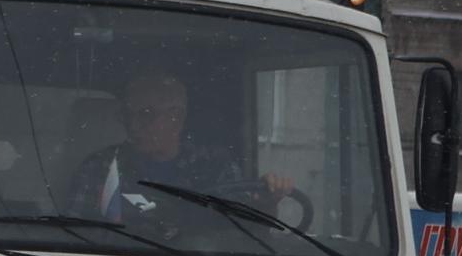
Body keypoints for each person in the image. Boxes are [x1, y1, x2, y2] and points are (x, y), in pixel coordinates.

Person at [62, 69, 295, 224]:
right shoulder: (100, 167)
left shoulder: (216, 167)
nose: (133, 125)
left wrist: (267, 204)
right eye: (127, 115)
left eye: (145, 114)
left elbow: (244, 233)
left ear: (177, 118)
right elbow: (77, 236)